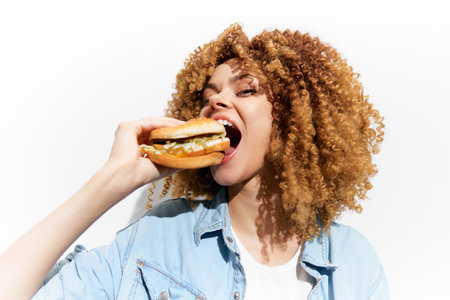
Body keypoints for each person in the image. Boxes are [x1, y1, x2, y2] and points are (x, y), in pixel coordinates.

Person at [0, 24, 389, 300]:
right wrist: (114, 179)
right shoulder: (158, 239)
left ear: (293, 118)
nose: (216, 102)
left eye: (247, 90)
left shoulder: (352, 261)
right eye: (210, 94)